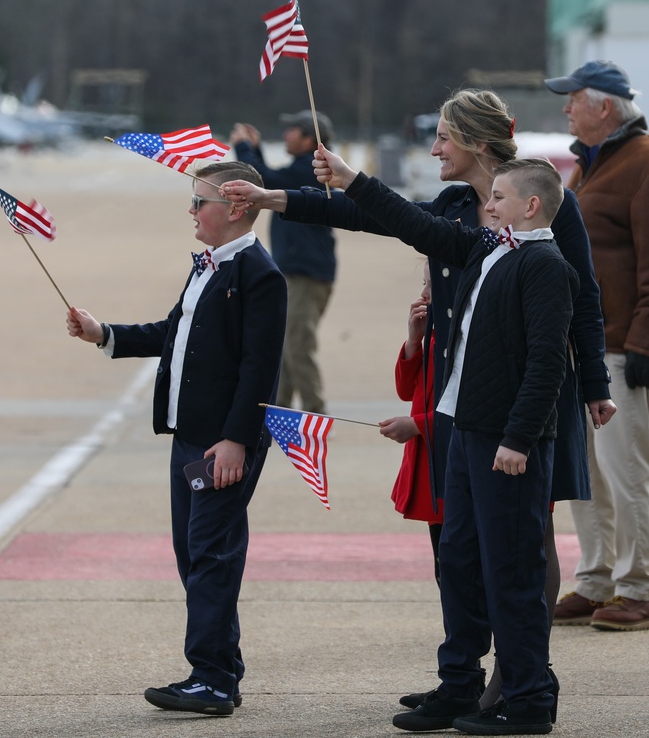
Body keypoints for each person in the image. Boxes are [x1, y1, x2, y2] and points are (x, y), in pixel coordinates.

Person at [221, 89, 615, 717]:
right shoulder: (467, 213)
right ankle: (462, 675)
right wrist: (281, 198)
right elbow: (386, 218)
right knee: (456, 545)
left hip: (523, 406)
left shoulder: (542, 215)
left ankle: (518, 678)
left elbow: (581, 302)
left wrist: (594, 384)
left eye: (443, 139)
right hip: (460, 400)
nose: (433, 148)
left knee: (521, 542)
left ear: (479, 145)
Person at [65, 160, 286, 717]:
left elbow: (260, 369)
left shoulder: (259, 275)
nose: (191, 210)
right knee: (192, 554)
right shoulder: (207, 268)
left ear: (236, 207)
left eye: (199, 200)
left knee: (212, 553)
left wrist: (237, 439)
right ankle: (222, 668)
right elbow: (174, 332)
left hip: (222, 443)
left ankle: (210, 678)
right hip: (190, 438)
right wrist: (105, 334)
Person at [544, 59, 649, 631]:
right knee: (585, 473)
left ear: (603, 106)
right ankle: (597, 580)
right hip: (582, 345)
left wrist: (648, 345)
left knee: (625, 472)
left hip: (621, 347)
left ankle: (638, 590)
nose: (565, 109)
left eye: (572, 99)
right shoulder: (592, 165)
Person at [230, 109, 337, 414]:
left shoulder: (312, 170)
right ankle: (280, 410)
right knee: (286, 344)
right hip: (297, 271)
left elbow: (265, 182)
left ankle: (316, 414)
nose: (285, 135)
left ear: (308, 139)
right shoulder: (302, 168)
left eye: (291, 130)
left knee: (298, 346)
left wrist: (243, 149)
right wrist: (255, 150)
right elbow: (270, 179)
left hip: (307, 274)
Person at [380, 260, 445, 582]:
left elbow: (473, 410)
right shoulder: (434, 333)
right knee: (443, 563)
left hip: (449, 459)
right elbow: (407, 390)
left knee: (458, 562)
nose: (424, 293)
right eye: (424, 283)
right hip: (432, 458)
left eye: (432, 285)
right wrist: (412, 342)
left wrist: (418, 425)